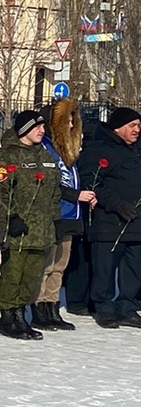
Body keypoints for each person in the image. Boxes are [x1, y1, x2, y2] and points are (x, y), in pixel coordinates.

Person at [0, 109, 61, 341]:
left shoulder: (46, 156)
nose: (42, 131)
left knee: (32, 275)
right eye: (36, 127)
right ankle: (8, 317)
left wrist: (54, 219)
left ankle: (21, 313)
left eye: (43, 127)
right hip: (18, 229)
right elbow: (0, 192)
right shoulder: (7, 156)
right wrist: (10, 218)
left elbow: (54, 192)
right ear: (24, 130)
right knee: (13, 274)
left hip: (41, 230)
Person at [76, 105, 141, 329]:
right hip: (109, 221)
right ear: (117, 128)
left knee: (133, 269)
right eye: (132, 125)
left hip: (136, 222)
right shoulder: (99, 149)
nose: (137, 130)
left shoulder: (136, 150)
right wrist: (117, 204)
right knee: (104, 267)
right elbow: (91, 180)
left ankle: (127, 307)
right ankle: (103, 307)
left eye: (139, 125)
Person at [34, 98, 91, 330]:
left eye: (72, 121)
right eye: (66, 121)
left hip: (69, 215)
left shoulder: (66, 149)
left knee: (60, 265)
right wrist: (74, 196)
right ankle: (38, 308)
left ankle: (52, 305)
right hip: (53, 213)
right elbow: (49, 184)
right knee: (47, 265)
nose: (70, 126)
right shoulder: (44, 148)